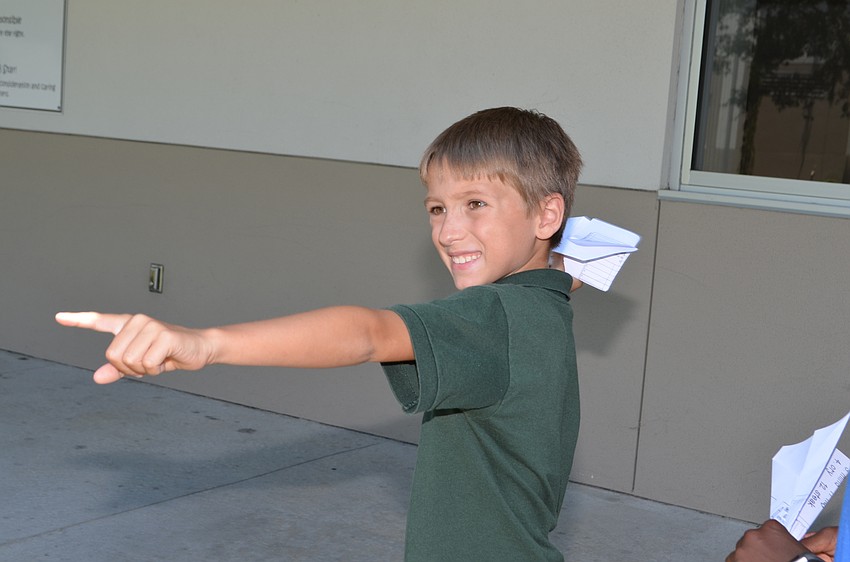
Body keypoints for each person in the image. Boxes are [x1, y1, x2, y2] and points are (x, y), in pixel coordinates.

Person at [55, 106, 584, 561]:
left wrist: (206, 343)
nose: (448, 232)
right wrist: (560, 255)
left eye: (476, 204)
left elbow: (369, 333)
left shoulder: (490, 316)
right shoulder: (544, 299)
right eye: (437, 209)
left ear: (546, 213)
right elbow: (576, 257)